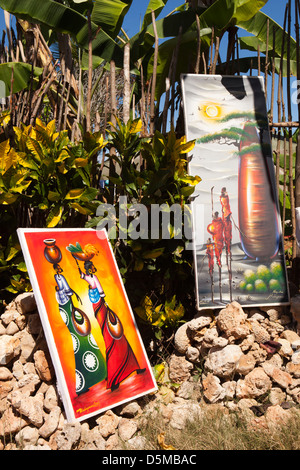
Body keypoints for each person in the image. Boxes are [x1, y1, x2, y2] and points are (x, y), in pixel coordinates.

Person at [78, 260, 145, 392]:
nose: (93, 268)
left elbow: (99, 290)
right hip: (99, 307)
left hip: (101, 305)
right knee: (111, 339)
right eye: (91, 267)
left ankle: (132, 368)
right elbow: (86, 279)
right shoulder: (90, 278)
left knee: (118, 337)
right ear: (89, 268)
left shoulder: (92, 277)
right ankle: (114, 379)